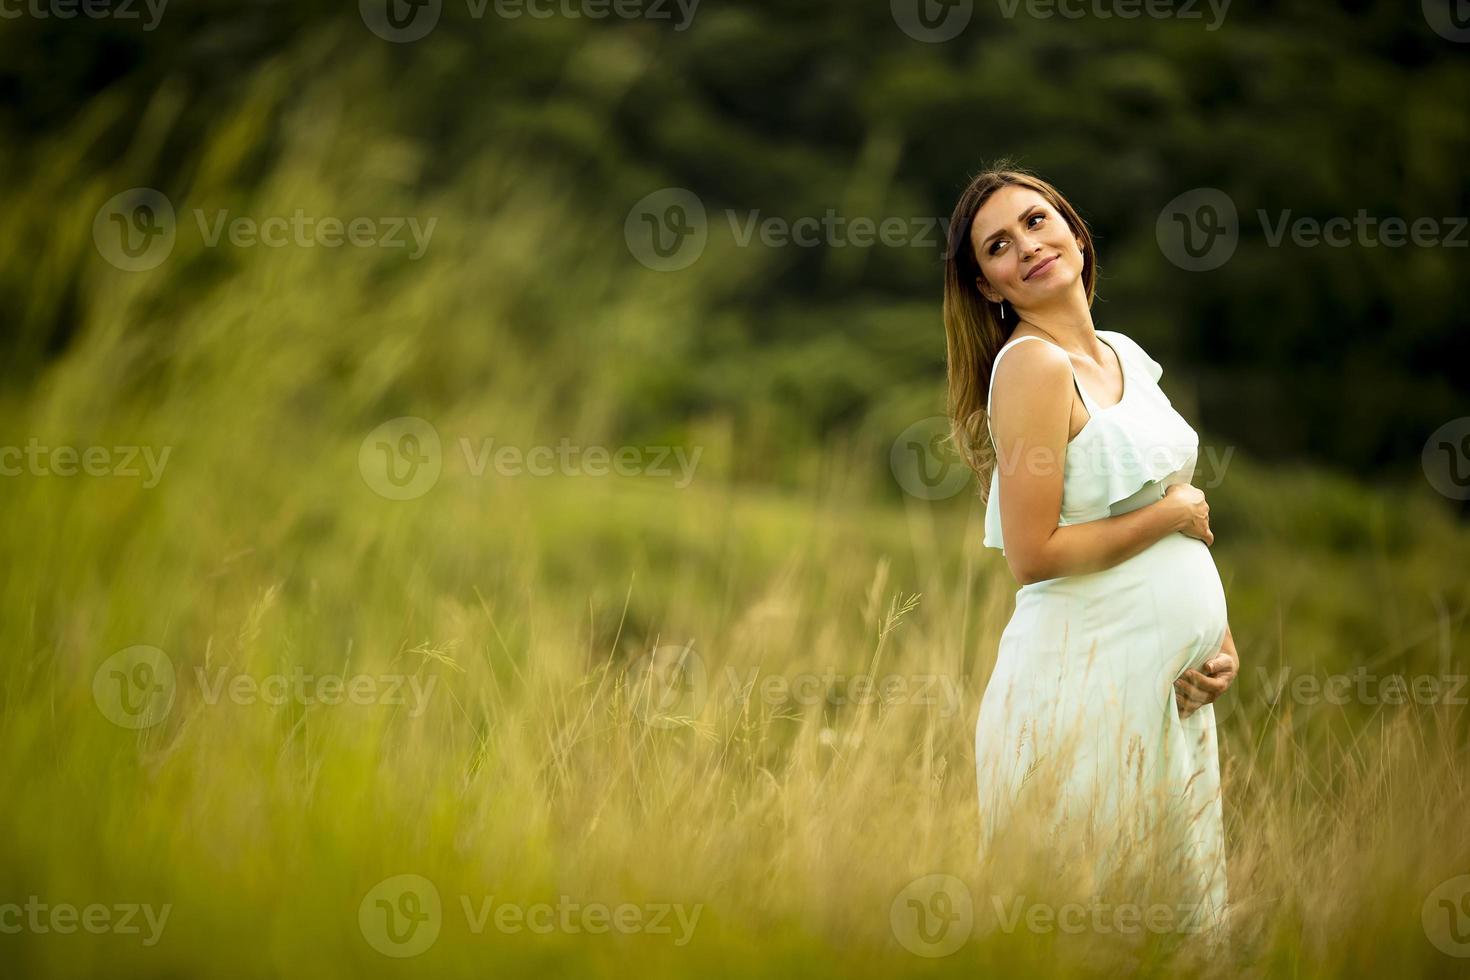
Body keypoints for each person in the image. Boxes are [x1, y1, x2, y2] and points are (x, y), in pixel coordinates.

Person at [942, 162, 1241, 939]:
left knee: (1173, 924)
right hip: (1082, 688)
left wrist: (1220, 643)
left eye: (1037, 222)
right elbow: (1034, 553)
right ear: (988, 287)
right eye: (998, 247)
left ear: (1074, 231)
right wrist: (1177, 509)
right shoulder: (1032, 367)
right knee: (1092, 924)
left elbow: (1169, 506)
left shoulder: (1121, 354)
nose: (1028, 247)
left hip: (1164, 692)